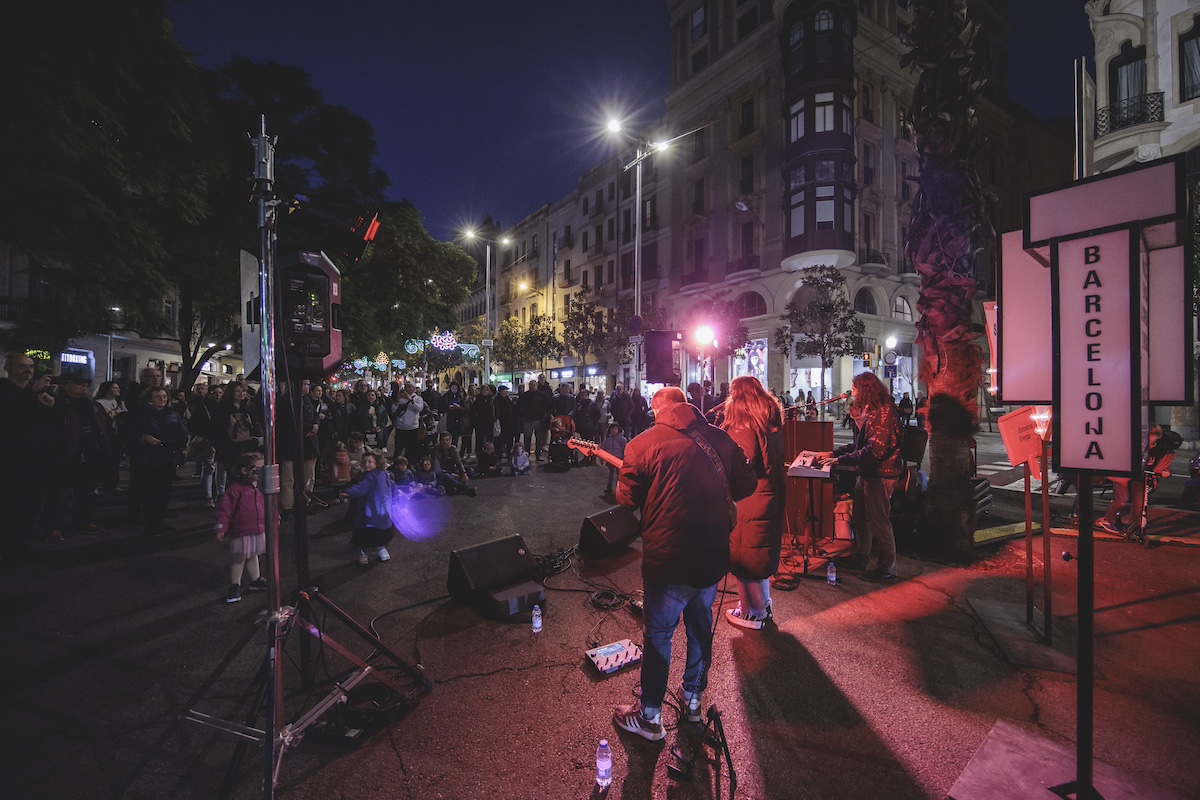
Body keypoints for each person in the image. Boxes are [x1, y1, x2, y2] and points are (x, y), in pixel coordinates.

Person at [612, 387, 756, 741]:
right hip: (710, 558)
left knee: (659, 636)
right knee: (699, 628)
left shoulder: (641, 444)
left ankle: (649, 717)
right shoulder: (720, 438)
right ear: (687, 406)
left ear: (656, 409)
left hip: (668, 560)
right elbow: (747, 485)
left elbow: (626, 499)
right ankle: (692, 700)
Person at [819, 372, 904, 582]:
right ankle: (861, 556)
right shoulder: (874, 412)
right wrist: (833, 454)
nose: (852, 392)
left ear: (865, 389)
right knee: (860, 517)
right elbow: (859, 447)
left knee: (879, 522)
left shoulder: (883, 413)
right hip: (869, 473)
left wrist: (840, 461)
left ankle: (887, 568)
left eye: (855, 387)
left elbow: (873, 451)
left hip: (880, 475)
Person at [719, 376, 785, 630]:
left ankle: (755, 612)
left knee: (748, 552)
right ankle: (756, 605)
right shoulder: (767, 422)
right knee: (755, 551)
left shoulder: (744, 425)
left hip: (750, 500)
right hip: (766, 496)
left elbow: (742, 464)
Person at [0, 353, 59, 552]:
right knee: (11, 503)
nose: (28, 370)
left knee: (31, 502)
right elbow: (13, 416)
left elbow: (51, 421)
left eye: (31, 366)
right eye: (22, 366)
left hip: (38, 457)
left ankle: (21, 542)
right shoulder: (6, 391)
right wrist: (32, 395)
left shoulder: (36, 393)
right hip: (13, 458)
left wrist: (50, 407)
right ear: (7, 368)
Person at [125, 387, 189, 537]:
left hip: (167, 457)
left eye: (164, 396)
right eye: (157, 396)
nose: (162, 399)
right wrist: (144, 438)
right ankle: (151, 524)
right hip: (148, 458)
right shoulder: (141, 414)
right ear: (149, 399)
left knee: (164, 492)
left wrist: (178, 443)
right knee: (150, 493)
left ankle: (159, 521)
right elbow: (130, 436)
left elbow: (182, 433)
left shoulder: (172, 414)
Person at [214, 452, 269, 604]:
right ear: (245, 471)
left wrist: (274, 517)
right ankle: (234, 585)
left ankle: (255, 579)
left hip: (257, 528)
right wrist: (221, 527)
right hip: (242, 530)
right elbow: (225, 510)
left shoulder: (261, 488)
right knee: (239, 558)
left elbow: (269, 505)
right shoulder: (235, 490)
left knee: (252, 554)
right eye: (257, 469)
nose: (261, 472)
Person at [340, 451, 397, 564]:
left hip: (380, 510)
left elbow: (391, 484)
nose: (366, 464)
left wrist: (397, 491)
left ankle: (380, 548)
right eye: (365, 462)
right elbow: (362, 487)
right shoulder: (368, 476)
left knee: (379, 532)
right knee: (366, 532)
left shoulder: (383, 474)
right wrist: (349, 492)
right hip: (369, 511)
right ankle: (363, 551)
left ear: (377, 462)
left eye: (370, 462)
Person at [517, 380, 550, 461]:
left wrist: (545, 415)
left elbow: (547, 405)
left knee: (539, 439)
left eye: (534, 385)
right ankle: (527, 454)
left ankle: (538, 455)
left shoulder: (541, 395)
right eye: (531, 385)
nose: (533, 386)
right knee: (527, 439)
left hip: (539, 420)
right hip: (527, 420)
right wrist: (521, 417)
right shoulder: (524, 395)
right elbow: (518, 406)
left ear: (537, 386)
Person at [600, 422, 628, 496]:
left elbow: (625, 450)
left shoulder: (622, 439)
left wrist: (625, 459)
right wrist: (601, 458)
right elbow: (603, 449)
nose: (614, 431)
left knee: (619, 474)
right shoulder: (607, 440)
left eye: (615, 429)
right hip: (609, 459)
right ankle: (609, 487)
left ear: (618, 429)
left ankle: (619, 488)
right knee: (610, 473)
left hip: (619, 459)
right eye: (612, 429)